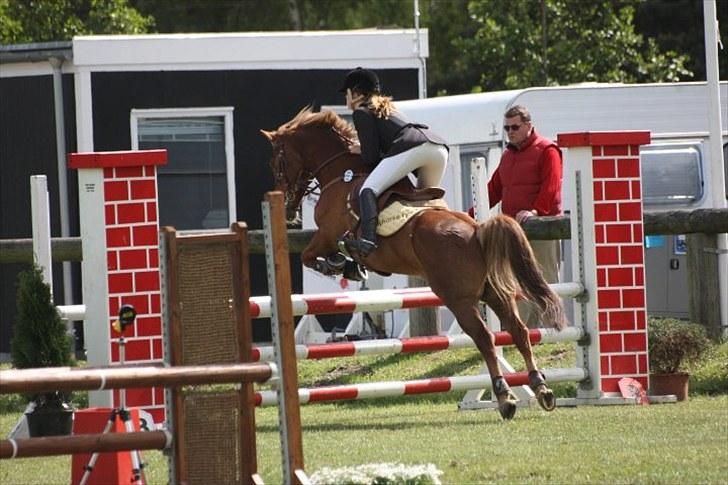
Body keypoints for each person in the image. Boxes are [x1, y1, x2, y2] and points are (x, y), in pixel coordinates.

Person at [340, 67, 449, 257]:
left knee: (368, 190)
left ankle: (368, 241)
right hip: (438, 148)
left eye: (347, 93)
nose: (346, 99)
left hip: (413, 147)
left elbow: (370, 158)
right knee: (424, 204)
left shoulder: (362, 112)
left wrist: (360, 150)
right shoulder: (388, 108)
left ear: (356, 93)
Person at [486, 105, 563, 327]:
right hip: (514, 230)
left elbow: (551, 187)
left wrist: (535, 211)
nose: (510, 132)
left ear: (529, 125)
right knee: (515, 280)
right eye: (507, 127)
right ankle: (521, 331)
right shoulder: (508, 155)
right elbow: (493, 190)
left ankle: (555, 332)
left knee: (546, 277)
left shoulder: (548, 150)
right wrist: (469, 213)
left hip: (542, 227)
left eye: (515, 127)